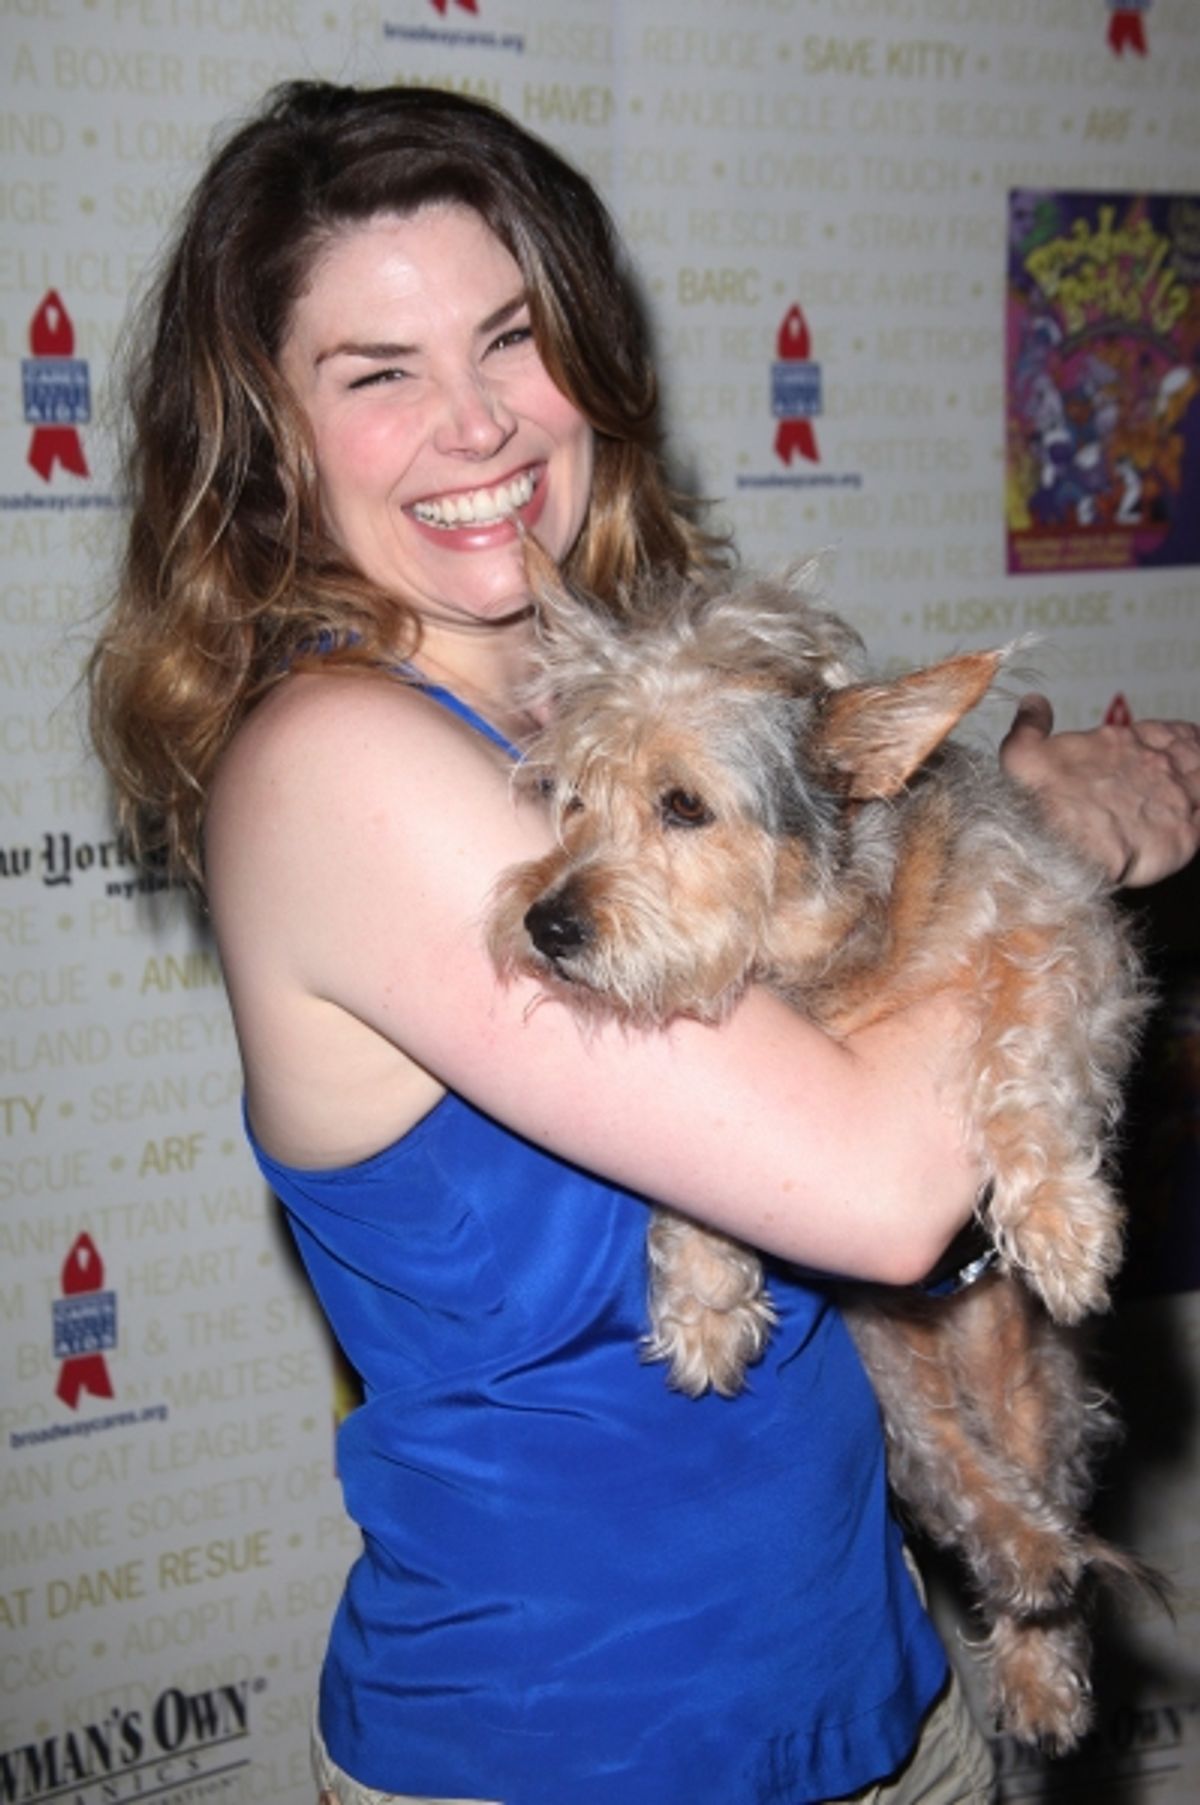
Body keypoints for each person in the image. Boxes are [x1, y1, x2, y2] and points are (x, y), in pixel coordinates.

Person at [89, 81, 1200, 1805]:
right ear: (268, 442)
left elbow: (858, 944)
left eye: (510, 340)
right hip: (572, 1746)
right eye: (378, 375)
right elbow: (882, 1181)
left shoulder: (604, 700)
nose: (475, 425)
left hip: (866, 1689)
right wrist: (1053, 836)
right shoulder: (339, 768)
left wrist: (976, 822)